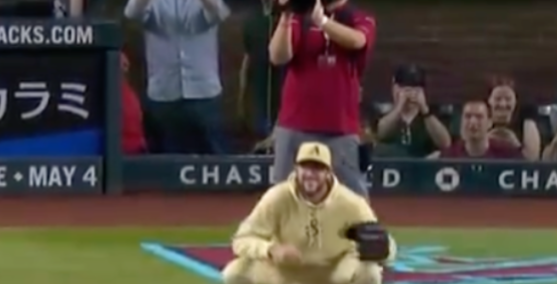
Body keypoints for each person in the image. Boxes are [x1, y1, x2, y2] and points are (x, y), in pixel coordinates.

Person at [221, 143, 395, 284]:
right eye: (305, 167)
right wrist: (270, 250)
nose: (310, 174)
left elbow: (385, 242)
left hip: (334, 276)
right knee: (235, 276)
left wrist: (384, 251)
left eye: (318, 168)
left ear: (328, 172)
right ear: (296, 169)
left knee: (370, 272)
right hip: (286, 275)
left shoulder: (350, 203)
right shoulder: (277, 198)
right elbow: (242, 240)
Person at [267, 0, 376, 199]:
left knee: (353, 197)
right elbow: (277, 57)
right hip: (295, 123)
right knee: (283, 197)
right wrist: (286, 16)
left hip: (340, 127)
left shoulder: (357, 17)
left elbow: (358, 40)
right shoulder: (301, 18)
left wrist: (323, 22)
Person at [124, 0, 231, 154]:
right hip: (164, 92)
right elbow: (132, 12)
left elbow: (218, 12)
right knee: (167, 161)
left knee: (216, 157)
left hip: (203, 92)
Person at [374, 64, 451, 158]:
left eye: (416, 89)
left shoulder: (431, 116)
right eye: (406, 88)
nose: (411, 93)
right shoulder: (384, 112)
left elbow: (445, 143)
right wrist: (399, 107)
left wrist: (424, 109)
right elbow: (380, 133)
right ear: (395, 88)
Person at [238, 0, 285, 144]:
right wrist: (241, 93)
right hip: (258, 90)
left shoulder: (287, 22)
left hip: (283, 90)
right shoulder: (252, 22)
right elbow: (247, 58)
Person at [442, 100, 523, 159]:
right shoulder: (449, 156)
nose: (473, 122)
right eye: (468, 116)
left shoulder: (508, 155)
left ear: (489, 122)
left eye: (479, 117)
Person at [485, 76, 541, 160]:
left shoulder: (525, 122)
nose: (503, 104)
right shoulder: (481, 120)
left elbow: (533, 159)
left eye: (508, 99)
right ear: (489, 100)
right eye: (498, 99)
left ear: (515, 101)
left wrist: (516, 145)